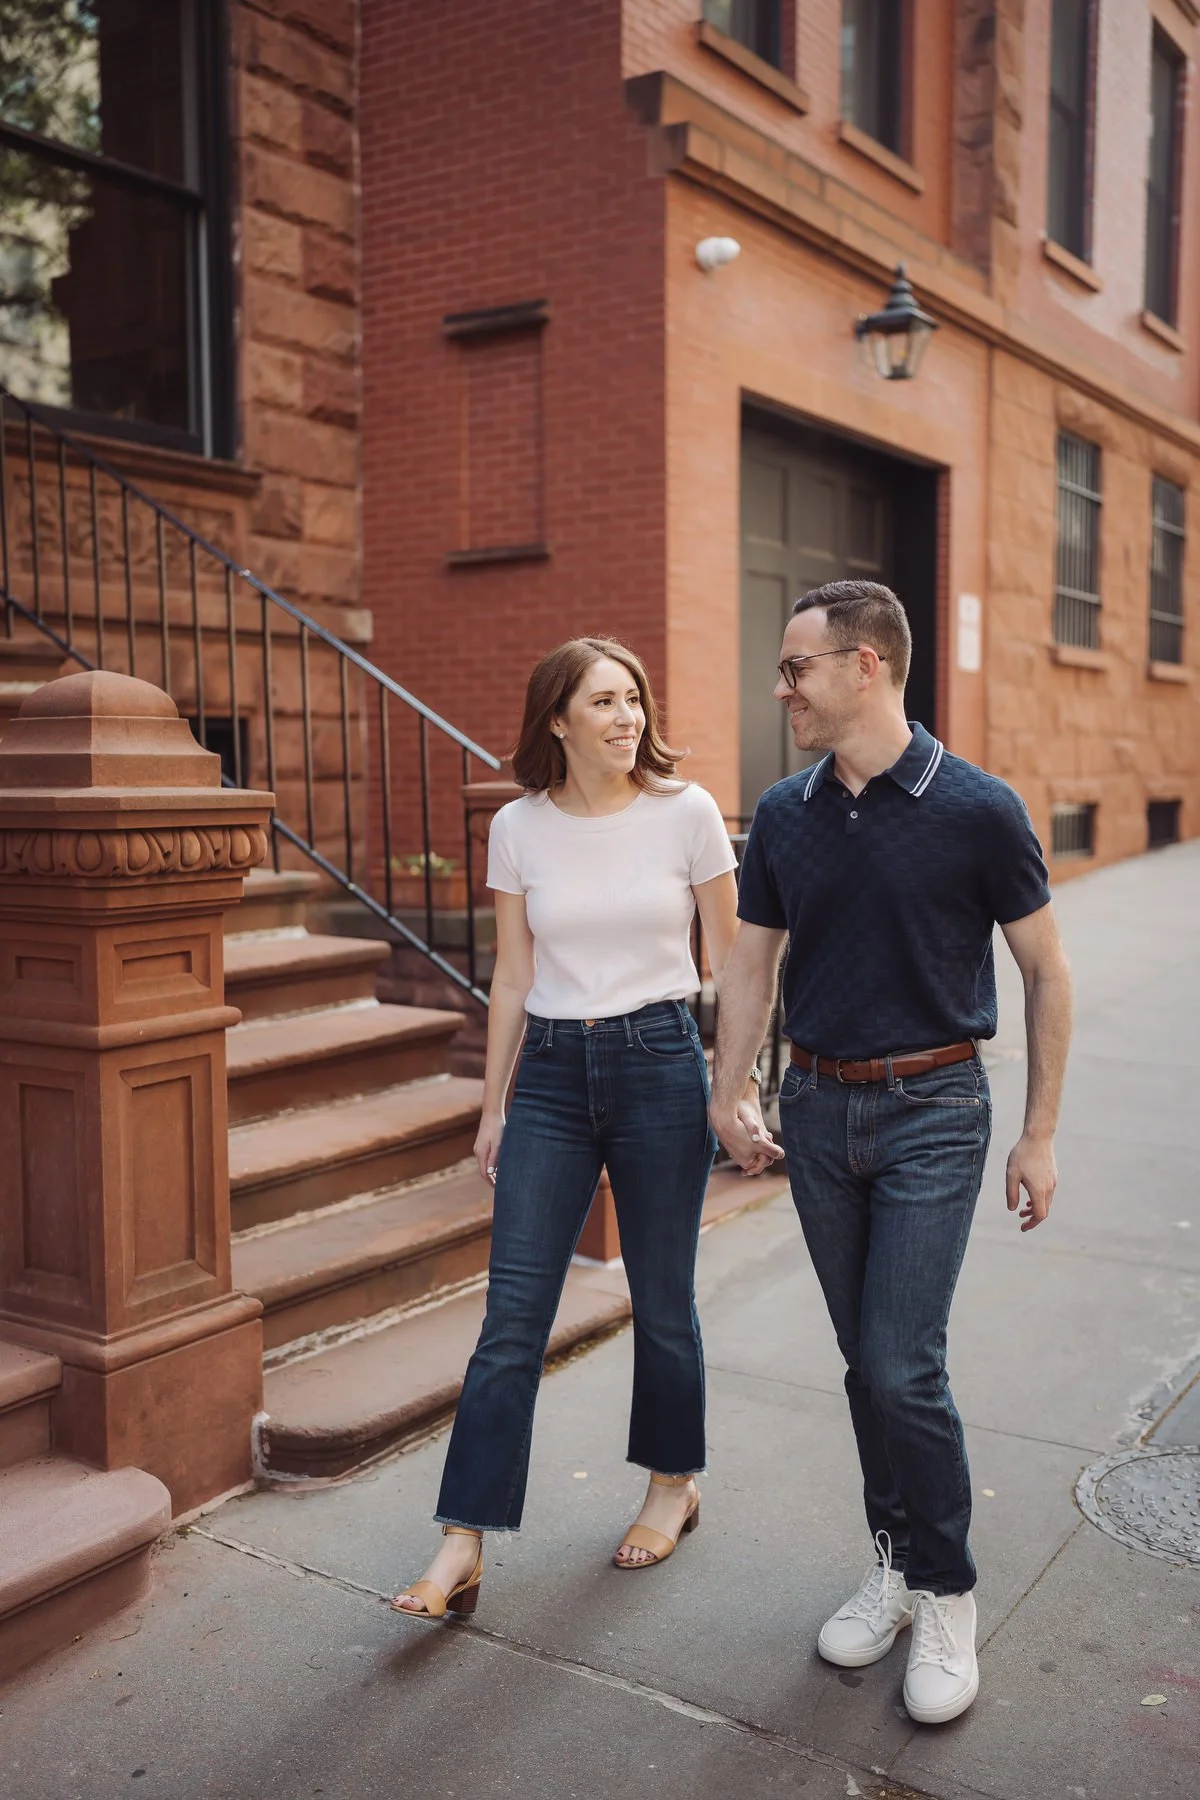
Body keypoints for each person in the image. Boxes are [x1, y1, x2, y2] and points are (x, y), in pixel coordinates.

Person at [710, 581, 1072, 1726]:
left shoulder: (978, 808)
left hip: (934, 1111)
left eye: (797, 668)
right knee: (866, 1364)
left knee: (903, 1363)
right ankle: (897, 1563)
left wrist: (1041, 1133)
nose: (783, 689)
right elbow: (751, 968)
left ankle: (948, 1588)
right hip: (817, 1110)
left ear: (866, 667)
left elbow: (1047, 972)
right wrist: (729, 1093)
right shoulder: (782, 813)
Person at [394, 636, 772, 1619]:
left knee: (663, 1297)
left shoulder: (685, 814)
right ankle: (462, 1541)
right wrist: (494, 1104)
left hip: (656, 1063)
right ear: (556, 720)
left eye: (633, 699)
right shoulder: (519, 828)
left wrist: (737, 1091)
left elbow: (731, 963)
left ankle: (671, 1484)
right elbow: (512, 975)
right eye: (603, 702)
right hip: (554, 1079)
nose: (627, 717)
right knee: (512, 1316)